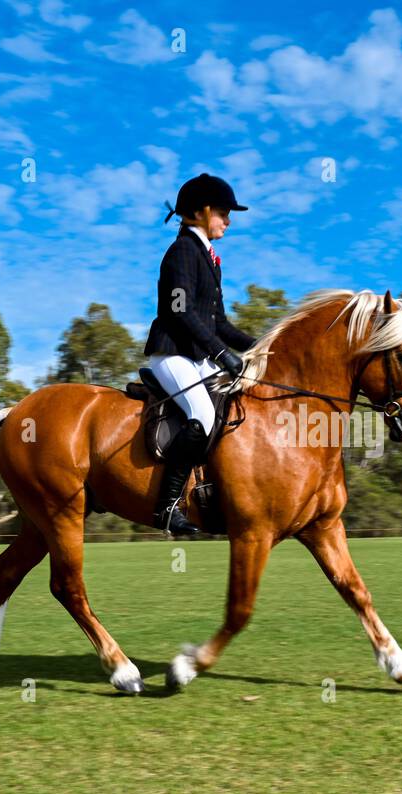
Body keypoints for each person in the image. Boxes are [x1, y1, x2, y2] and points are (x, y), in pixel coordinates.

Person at [144, 173, 257, 536]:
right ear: (201, 211)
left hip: (197, 356)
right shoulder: (181, 251)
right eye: (223, 211)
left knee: (233, 410)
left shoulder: (210, 259)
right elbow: (180, 311)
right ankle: (166, 508)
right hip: (172, 353)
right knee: (203, 412)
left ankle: (212, 495)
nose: (228, 219)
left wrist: (259, 346)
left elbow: (219, 322)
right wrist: (221, 354)